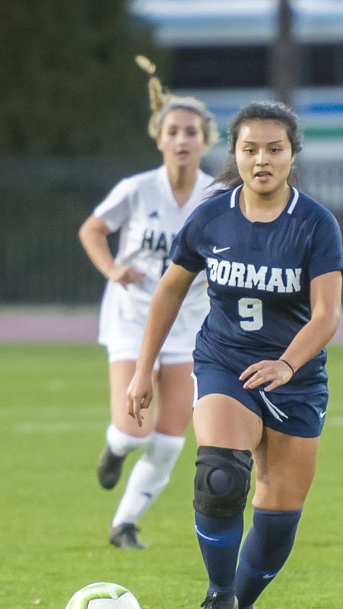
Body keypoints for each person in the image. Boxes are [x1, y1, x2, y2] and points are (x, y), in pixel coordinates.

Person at [127, 100, 343, 609]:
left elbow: (327, 315)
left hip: (295, 381)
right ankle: (217, 592)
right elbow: (170, 292)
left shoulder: (315, 223)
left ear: (292, 154)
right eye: (250, 149)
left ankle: (244, 606)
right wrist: (143, 369)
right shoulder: (210, 216)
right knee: (219, 477)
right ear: (235, 154)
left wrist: (287, 363)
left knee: (277, 517)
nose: (262, 160)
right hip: (225, 362)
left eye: (274, 149)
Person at [78, 56, 217, 550]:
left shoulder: (218, 195)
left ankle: (125, 524)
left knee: (169, 438)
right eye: (173, 131)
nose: (182, 140)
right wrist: (113, 269)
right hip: (133, 317)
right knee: (135, 431)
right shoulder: (136, 190)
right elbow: (92, 230)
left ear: (206, 141)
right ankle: (116, 449)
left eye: (191, 132)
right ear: (159, 139)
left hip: (190, 324)